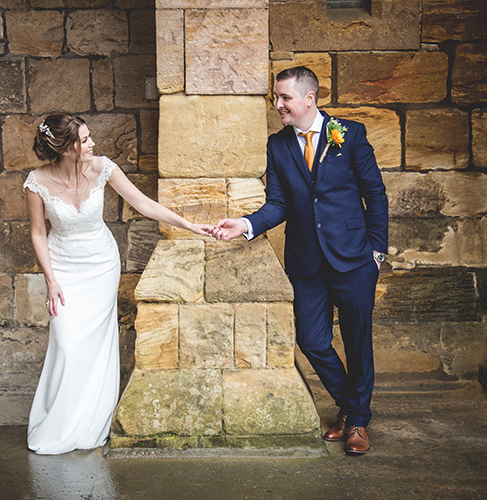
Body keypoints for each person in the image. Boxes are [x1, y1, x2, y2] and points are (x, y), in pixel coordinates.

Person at [213, 67, 388, 455]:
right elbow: (278, 204)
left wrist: (376, 252)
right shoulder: (277, 145)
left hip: (355, 258)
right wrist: (244, 224)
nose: (277, 105)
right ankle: (351, 405)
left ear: (309, 99)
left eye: (284, 99)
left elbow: (375, 194)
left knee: (359, 342)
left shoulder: (351, 134)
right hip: (307, 262)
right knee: (312, 341)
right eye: (277, 99)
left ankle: (357, 421)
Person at [24, 114, 212, 455]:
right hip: (63, 267)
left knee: (95, 344)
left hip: (101, 264)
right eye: (85, 139)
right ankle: (61, 421)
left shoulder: (102, 168)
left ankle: (91, 421)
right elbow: (38, 232)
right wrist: (50, 281)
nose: (92, 143)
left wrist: (189, 225)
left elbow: (142, 203)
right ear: (66, 149)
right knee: (67, 343)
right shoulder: (37, 182)